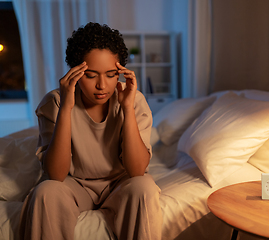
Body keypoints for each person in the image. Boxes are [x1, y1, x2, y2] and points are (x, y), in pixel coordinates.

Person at [19, 22, 162, 240]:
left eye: (111, 74)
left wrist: (126, 108)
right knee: (45, 192)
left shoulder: (134, 100)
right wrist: (66, 107)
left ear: (120, 73)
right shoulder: (55, 101)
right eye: (91, 75)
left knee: (145, 188)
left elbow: (136, 171)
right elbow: (55, 174)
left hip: (119, 185)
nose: (102, 86)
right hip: (74, 185)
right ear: (75, 72)